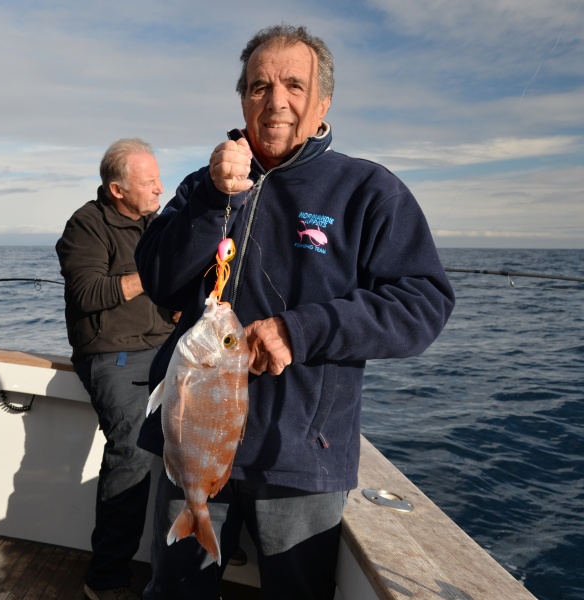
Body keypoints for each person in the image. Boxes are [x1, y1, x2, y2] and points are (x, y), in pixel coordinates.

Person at [135, 24, 456, 599]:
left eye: (293, 85)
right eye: (259, 86)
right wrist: (211, 200)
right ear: (242, 100)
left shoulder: (368, 191)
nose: (275, 101)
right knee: (174, 592)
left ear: (323, 102)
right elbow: (159, 281)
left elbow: (423, 302)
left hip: (300, 459)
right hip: (192, 443)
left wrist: (300, 331)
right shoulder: (203, 185)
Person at [55, 139, 178, 600]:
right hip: (111, 353)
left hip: (166, 346)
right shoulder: (85, 226)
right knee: (131, 450)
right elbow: (86, 294)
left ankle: (191, 564)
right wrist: (157, 273)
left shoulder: (157, 223)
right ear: (117, 189)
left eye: (158, 179)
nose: (158, 189)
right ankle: (105, 578)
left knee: (205, 433)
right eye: (148, 183)